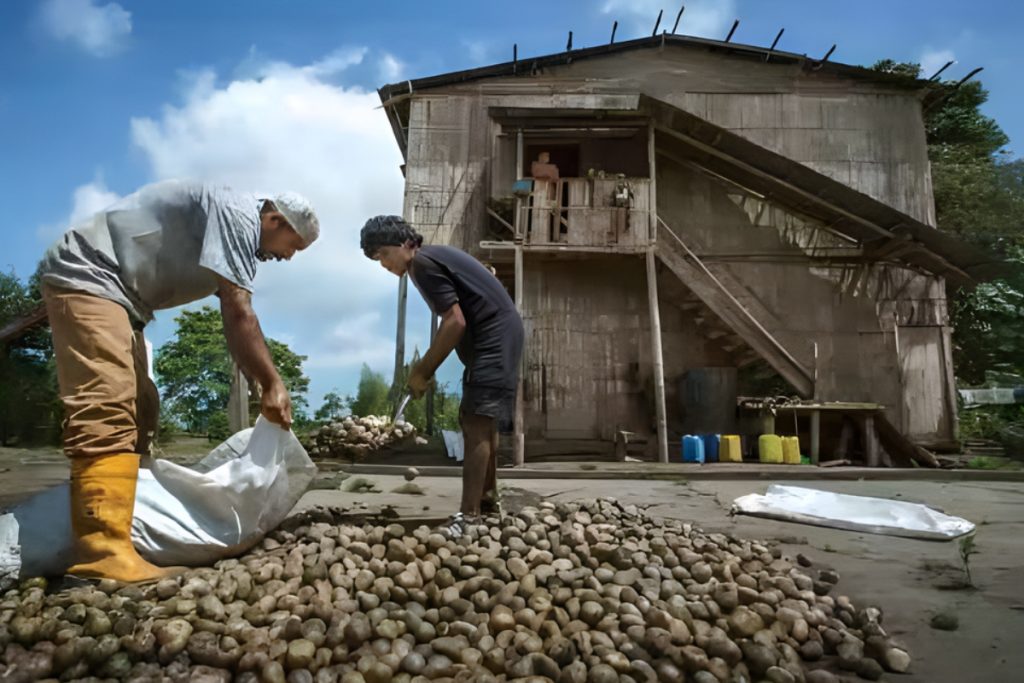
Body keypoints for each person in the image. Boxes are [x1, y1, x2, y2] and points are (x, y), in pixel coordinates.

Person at [38, 179, 320, 583]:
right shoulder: (238, 214)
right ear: (274, 219)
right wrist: (272, 382)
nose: (288, 257)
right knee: (107, 404)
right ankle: (101, 551)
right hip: (91, 275)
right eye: (291, 246)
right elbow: (239, 312)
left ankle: (129, 526)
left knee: (142, 409)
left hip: (124, 299)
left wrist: (260, 377)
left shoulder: (235, 230)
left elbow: (234, 313)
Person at [360, 215, 524, 537]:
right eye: (377, 259)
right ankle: (487, 503)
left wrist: (422, 370)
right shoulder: (435, 257)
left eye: (383, 254)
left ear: (406, 244)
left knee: (475, 423)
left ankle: (470, 517)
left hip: (495, 337)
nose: (383, 264)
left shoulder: (421, 264)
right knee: (482, 420)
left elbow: (455, 322)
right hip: (503, 334)